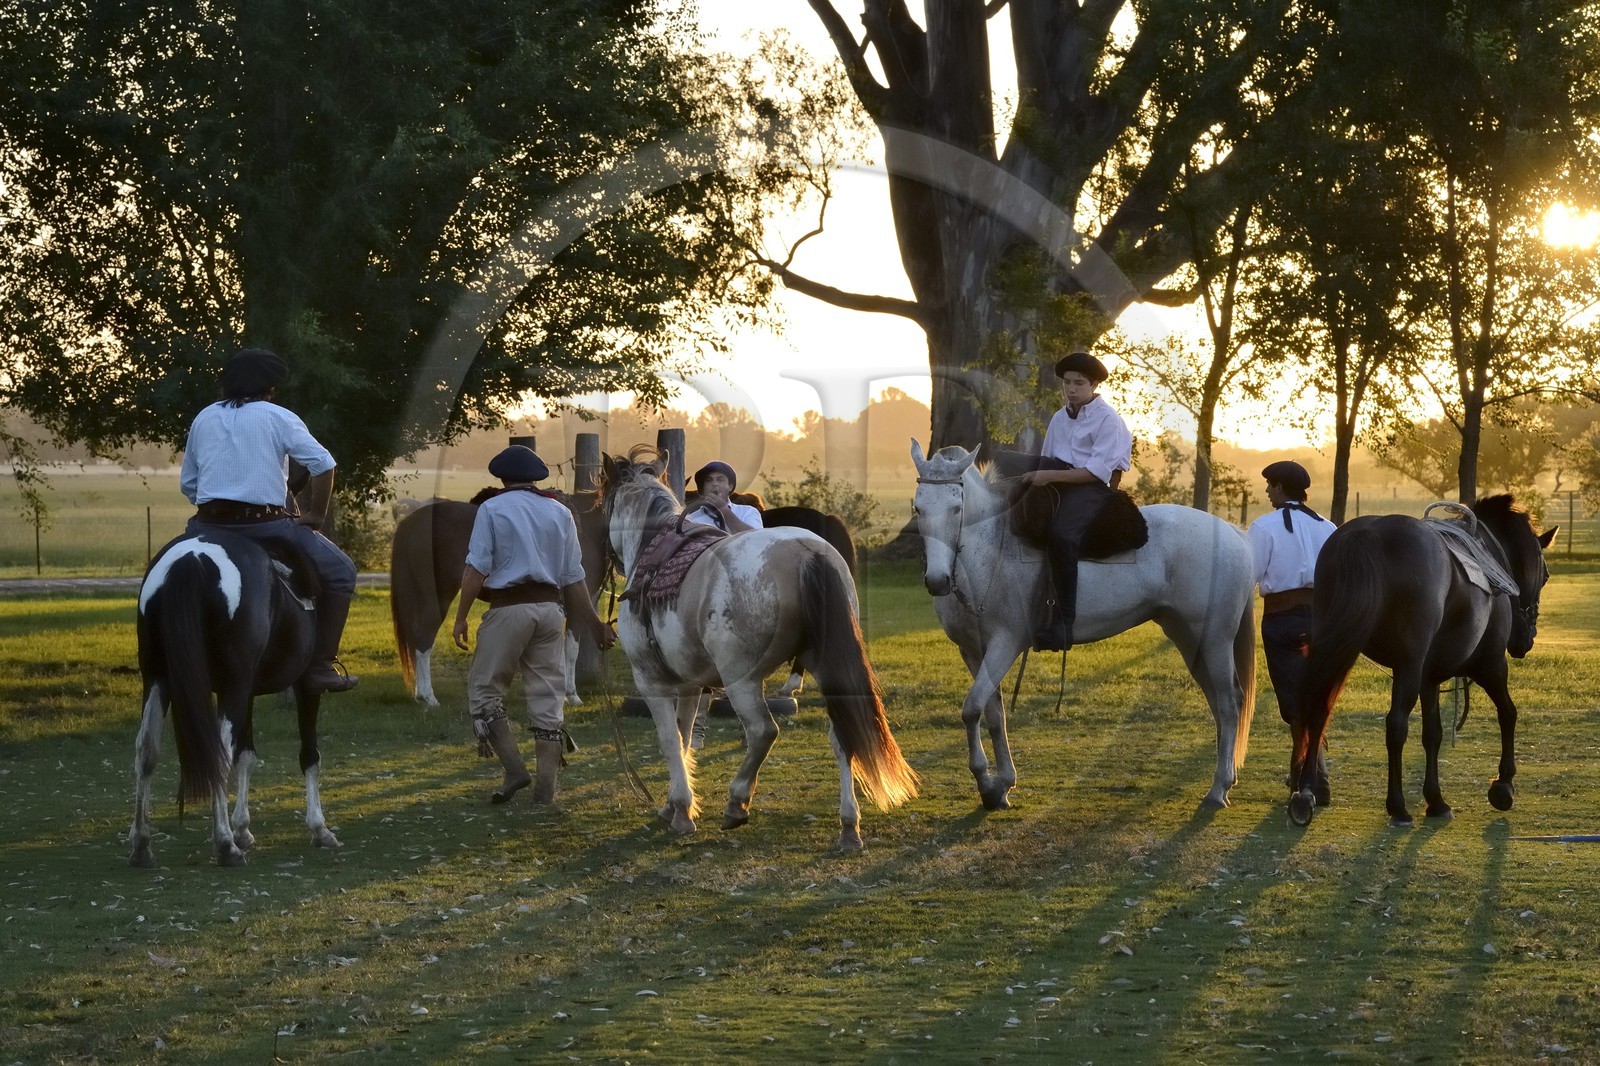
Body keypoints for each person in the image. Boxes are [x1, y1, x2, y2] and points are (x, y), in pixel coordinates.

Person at [180, 348, 360, 694]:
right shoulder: (278, 417)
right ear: (270, 387)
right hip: (265, 527)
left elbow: (189, 484)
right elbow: (323, 464)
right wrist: (315, 515)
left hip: (206, 527)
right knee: (342, 571)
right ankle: (320, 666)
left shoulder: (203, 417)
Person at [451, 445, 616, 804]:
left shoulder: (492, 508)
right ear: (535, 477)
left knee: (485, 693)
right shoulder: (559, 511)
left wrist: (462, 615)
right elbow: (574, 579)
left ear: (502, 477)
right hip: (549, 611)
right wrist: (596, 626)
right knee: (547, 699)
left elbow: (476, 567)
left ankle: (514, 770)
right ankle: (546, 792)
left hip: (508, 609)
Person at [1021, 351, 1133, 653]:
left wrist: (1047, 478)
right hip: (1058, 480)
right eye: (1067, 383)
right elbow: (1049, 456)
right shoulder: (1059, 417)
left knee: (1062, 535)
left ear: (1093, 384)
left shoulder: (1108, 420)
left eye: (1078, 383)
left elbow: (1097, 473)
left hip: (1092, 487)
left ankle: (1064, 623)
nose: (1071, 389)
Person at [1246, 459, 1336, 797]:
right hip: (1322, 620)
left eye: (1270, 485)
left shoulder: (1263, 527)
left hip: (1282, 621)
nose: (1267, 491)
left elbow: (1251, 577)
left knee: (1295, 702)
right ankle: (1313, 772)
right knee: (1317, 696)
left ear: (1282, 488)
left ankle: (1307, 776)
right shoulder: (1328, 527)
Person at [684, 460, 764, 533]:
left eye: (720, 479)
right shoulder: (691, 520)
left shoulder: (747, 512)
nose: (714, 484)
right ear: (702, 489)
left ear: (730, 487)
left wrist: (724, 510)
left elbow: (756, 539)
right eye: (708, 480)